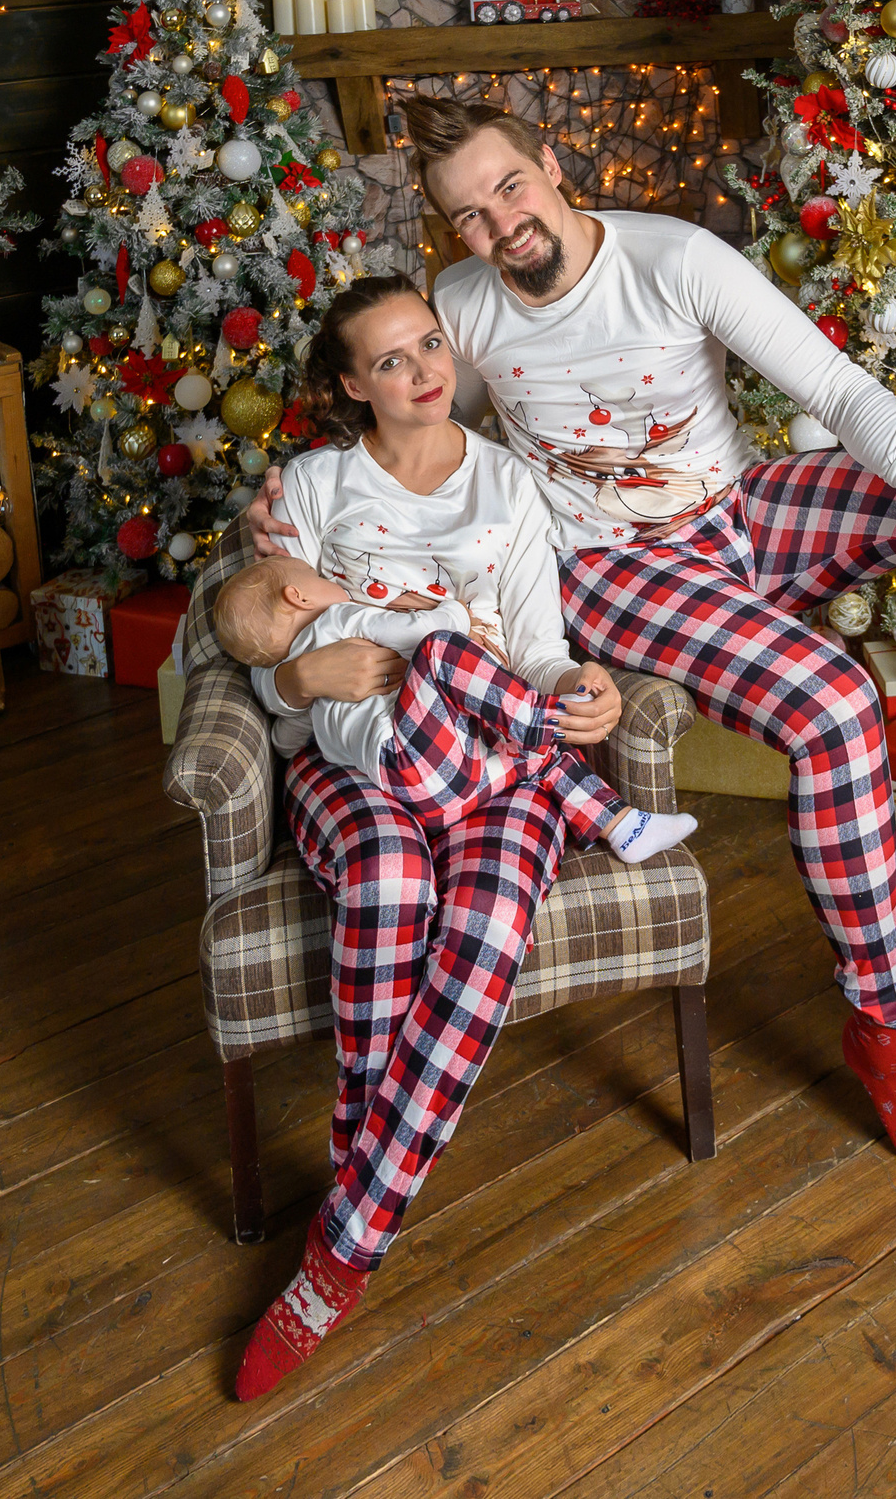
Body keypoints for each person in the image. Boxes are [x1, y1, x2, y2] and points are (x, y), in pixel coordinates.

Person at [244, 96, 896, 1188]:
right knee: (832, 705)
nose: (500, 226)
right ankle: (888, 1031)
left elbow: (834, 389)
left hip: (743, 514)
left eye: (510, 189)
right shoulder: (463, 305)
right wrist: (301, 503)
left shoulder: (676, 259)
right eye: (468, 216)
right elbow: (427, 425)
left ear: (551, 162)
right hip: (618, 567)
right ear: (450, 232)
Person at [225, 275, 688, 1403]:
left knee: (480, 920)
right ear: (349, 385)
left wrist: (584, 691)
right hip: (364, 762)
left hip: (487, 763)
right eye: (388, 359)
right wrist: (295, 675)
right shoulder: (314, 487)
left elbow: (538, 641)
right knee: (385, 879)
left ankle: (345, 1239)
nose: (423, 368)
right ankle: (587, 797)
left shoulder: (509, 484)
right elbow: (258, 619)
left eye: (429, 342)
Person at [211, 551, 695, 863]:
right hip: (411, 762)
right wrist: (455, 613)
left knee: (524, 752)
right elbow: (413, 634)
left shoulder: (309, 693)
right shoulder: (335, 620)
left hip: (431, 798)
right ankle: (544, 721)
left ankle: (623, 825)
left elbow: (286, 740)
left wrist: (300, 705)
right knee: (441, 650)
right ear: (298, 595)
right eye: (316, 576)